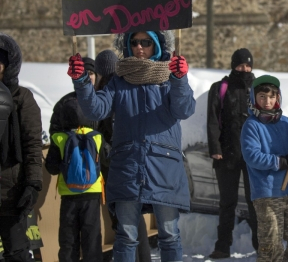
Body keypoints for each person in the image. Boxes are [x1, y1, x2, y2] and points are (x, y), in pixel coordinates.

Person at [67, 31, 196, 262]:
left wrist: (180, 80)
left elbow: (184, 110)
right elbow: (96, 110)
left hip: (164, 167)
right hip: (127, 167)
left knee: (169, 235)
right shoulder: (119, 80)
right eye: (134, 42)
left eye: (146, 42)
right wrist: (82, 82)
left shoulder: (169, 77)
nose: (139, 47)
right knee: (126, 236)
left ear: (155, 45)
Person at [240, 75, 288, 262]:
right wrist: (281, 162)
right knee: (271, 243)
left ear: (278, 98)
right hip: (267, 193)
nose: (268, 101)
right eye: (262, 97)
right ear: (254, 98)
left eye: (272, 97)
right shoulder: (251, 125)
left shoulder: (285, 123)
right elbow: (252, 156)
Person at [94, 48, 152, 262]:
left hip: (118, 169)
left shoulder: (109, 94)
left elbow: (112, 134)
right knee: (134, 222)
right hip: (132, 166)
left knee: (125, 224)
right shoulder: (127, 89)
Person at [207, 48, 258, 259]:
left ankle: (261, 245)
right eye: (240, 65)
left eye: (247, 65)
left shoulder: (258, 88)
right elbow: (212, 120)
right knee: (227, 203)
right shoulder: (220, 88)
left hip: (254, 156)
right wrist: (215, 149)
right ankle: (222, 246)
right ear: (233, 65)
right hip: (226, 154)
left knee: (256, 201)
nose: (244, 69)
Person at [45, 96, 106, 262]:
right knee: (92, 239)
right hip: (92, 193)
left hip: (69, 193)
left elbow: (52, 168)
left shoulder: (60, 139)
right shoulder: (97, 138)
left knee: (68, 240)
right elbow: (107, 161)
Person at [0, 33, 43, 262]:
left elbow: (32, 144)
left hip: (11, 192)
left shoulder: (22, 98)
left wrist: (33, 183)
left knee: (16, 253)